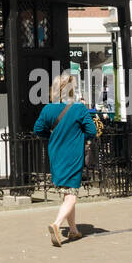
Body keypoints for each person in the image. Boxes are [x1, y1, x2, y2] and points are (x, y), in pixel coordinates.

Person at [34, 73, 98, 246]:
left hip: (55, 154)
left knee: (67, 193)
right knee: (72, 196)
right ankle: (56, 224)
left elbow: (38, 129)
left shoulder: (48, 109)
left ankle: (73, 230)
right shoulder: (79, 109)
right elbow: (92, 131)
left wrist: (53, 136)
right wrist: (78, 136)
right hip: (72, 155)